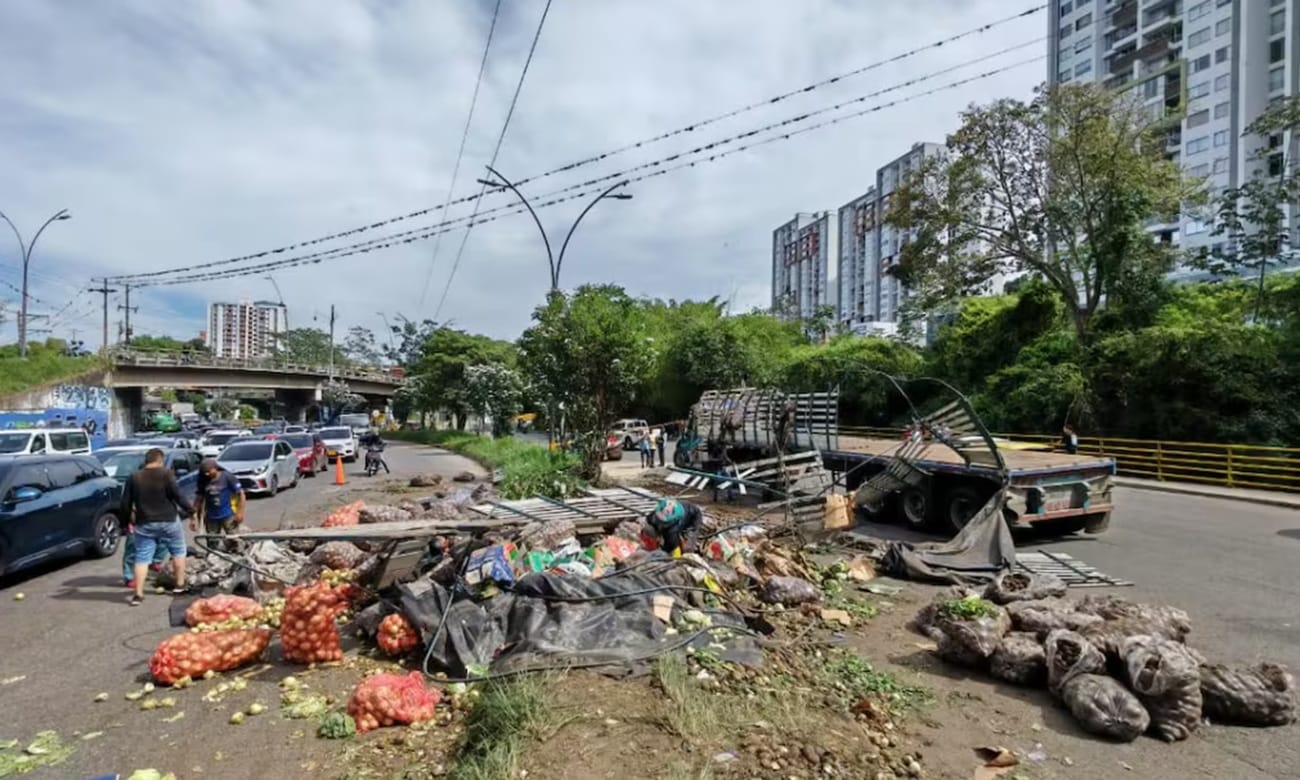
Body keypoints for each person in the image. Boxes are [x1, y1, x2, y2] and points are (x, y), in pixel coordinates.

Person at [120, 448, 194, 605]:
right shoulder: (166, 474)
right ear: (160, 460)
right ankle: (179, 586)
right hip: (168, 520)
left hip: (144, 522)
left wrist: (126, 522)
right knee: (179, 552)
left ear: (146, 460)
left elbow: (125, 503)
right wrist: (191, 511)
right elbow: (177, 496)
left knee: (142, 558)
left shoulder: (134, 477)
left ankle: (138, 595)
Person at [195, 457, 245, 541]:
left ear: (215, 468)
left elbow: (241, 495)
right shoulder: (203, 480)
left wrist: (240, 512)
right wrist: (195, 516)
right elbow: (199, 498)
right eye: (205, 472)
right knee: (212, 541)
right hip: (211, 517)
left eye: (208, 471)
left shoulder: (227, 477)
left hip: (228, 515)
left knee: (234, 540)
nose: (207, 474)